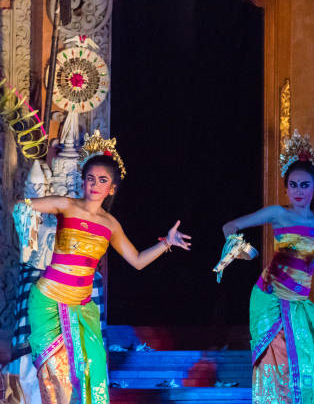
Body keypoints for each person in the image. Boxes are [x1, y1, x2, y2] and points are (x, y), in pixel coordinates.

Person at [23, 132, 191, 404]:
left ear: (111, 188)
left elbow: (136, 261)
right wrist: (28, 231)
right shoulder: (67, 205)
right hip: (49, 301)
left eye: (103, 180)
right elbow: (24, 207)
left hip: (82, 306)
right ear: (83, 181)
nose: (95, 184)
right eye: (90, 178)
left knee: (95, 369)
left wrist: (167, 243)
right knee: (57, 375)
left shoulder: (111, 225)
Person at [222, 132, 314, 403]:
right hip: (271, 299)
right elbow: (231, 226)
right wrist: (239, 248)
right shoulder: (278, 213)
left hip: (299, 302)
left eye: (305, 185)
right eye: (294, 185)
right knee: (279, 365)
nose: (299, 191)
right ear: (286, 188)